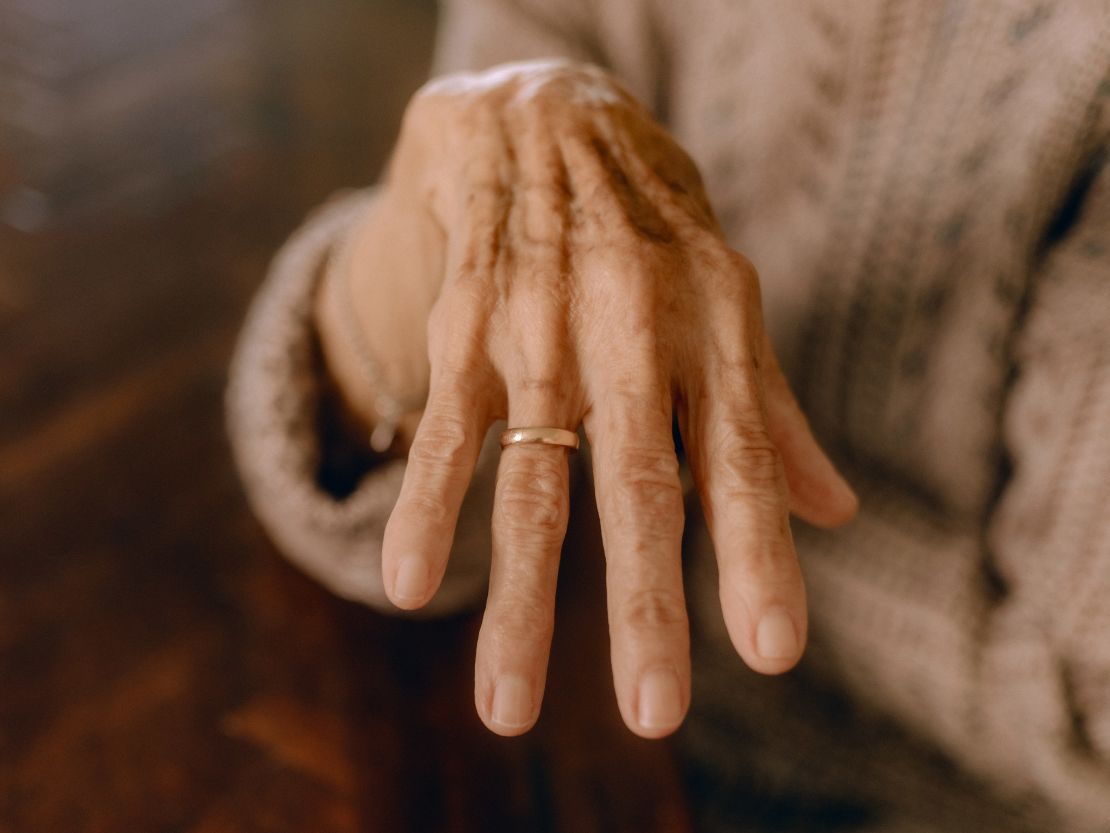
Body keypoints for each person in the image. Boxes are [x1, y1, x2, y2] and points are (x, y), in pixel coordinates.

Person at [226, 1, 1110, 830]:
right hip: (599, 732)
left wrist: (677, 494)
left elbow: (1080, 712)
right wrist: (438, 198)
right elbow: (422, 504)